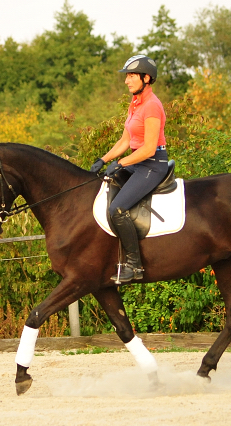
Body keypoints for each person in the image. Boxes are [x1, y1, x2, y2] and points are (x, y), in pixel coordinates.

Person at [90, 55, 168, 283]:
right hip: (137, 162)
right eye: (127, 76)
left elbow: (149, 149)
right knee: (104, 186)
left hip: (151, 165)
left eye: (131, 76)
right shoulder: (135, 104)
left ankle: (134, 266)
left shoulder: (152, 106)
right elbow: (126, 141)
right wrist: (103, 159)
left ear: (146, 78)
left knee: (117, 209)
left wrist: (121, 163)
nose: (127, 81)